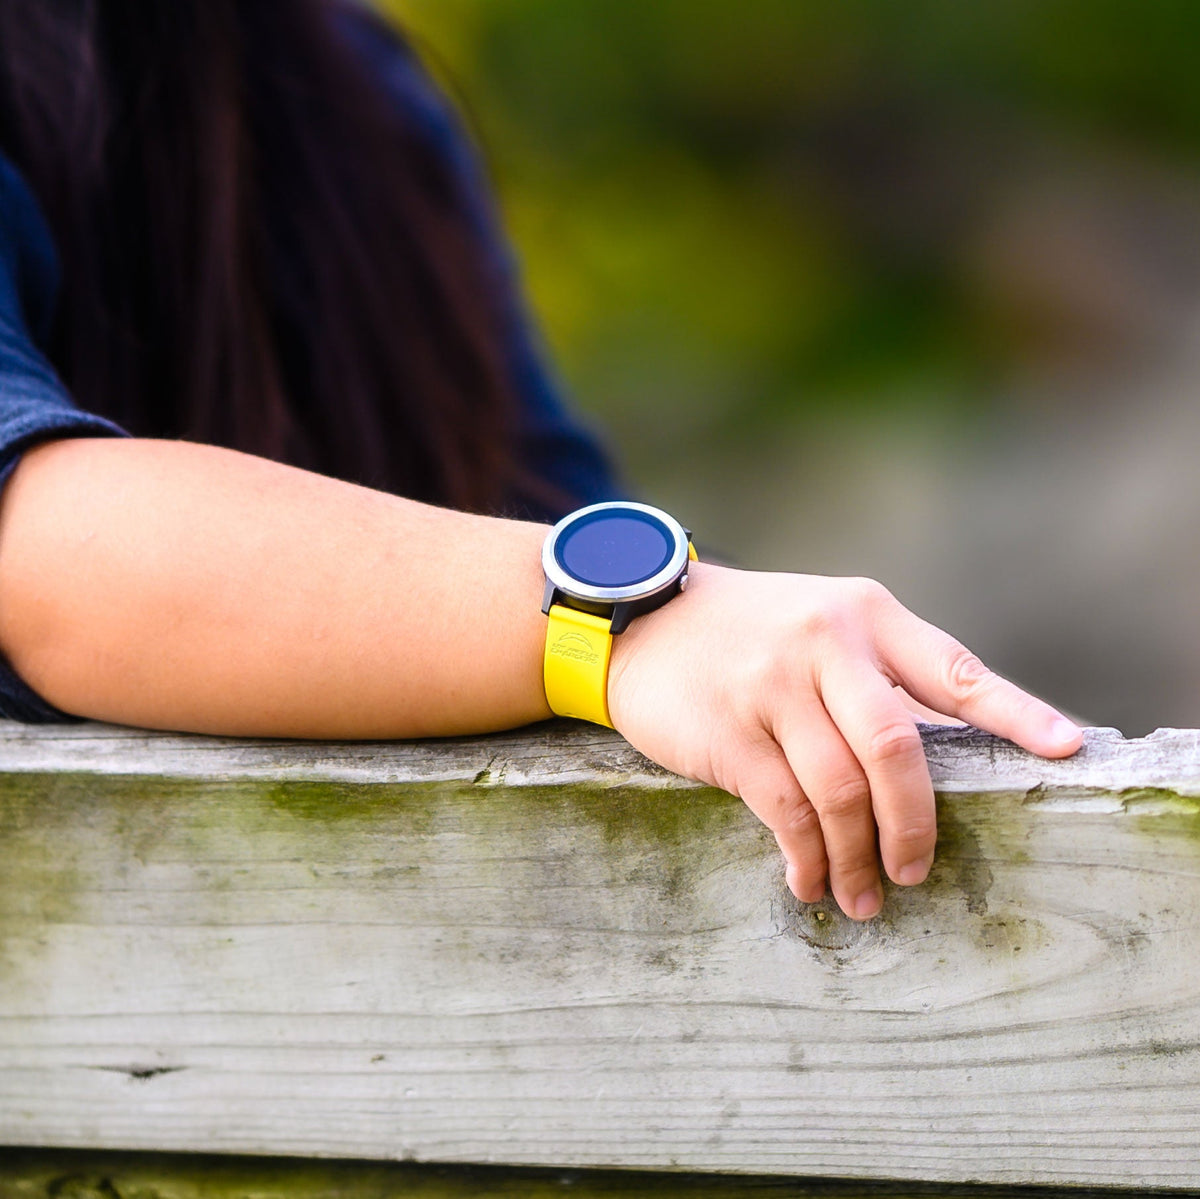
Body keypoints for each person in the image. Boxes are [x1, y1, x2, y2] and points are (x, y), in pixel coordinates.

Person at [0, 0, 1082, 923]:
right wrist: (628, 623)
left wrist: (777, 675)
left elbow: (536, 496)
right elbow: (33, 541)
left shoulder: (348, 85)